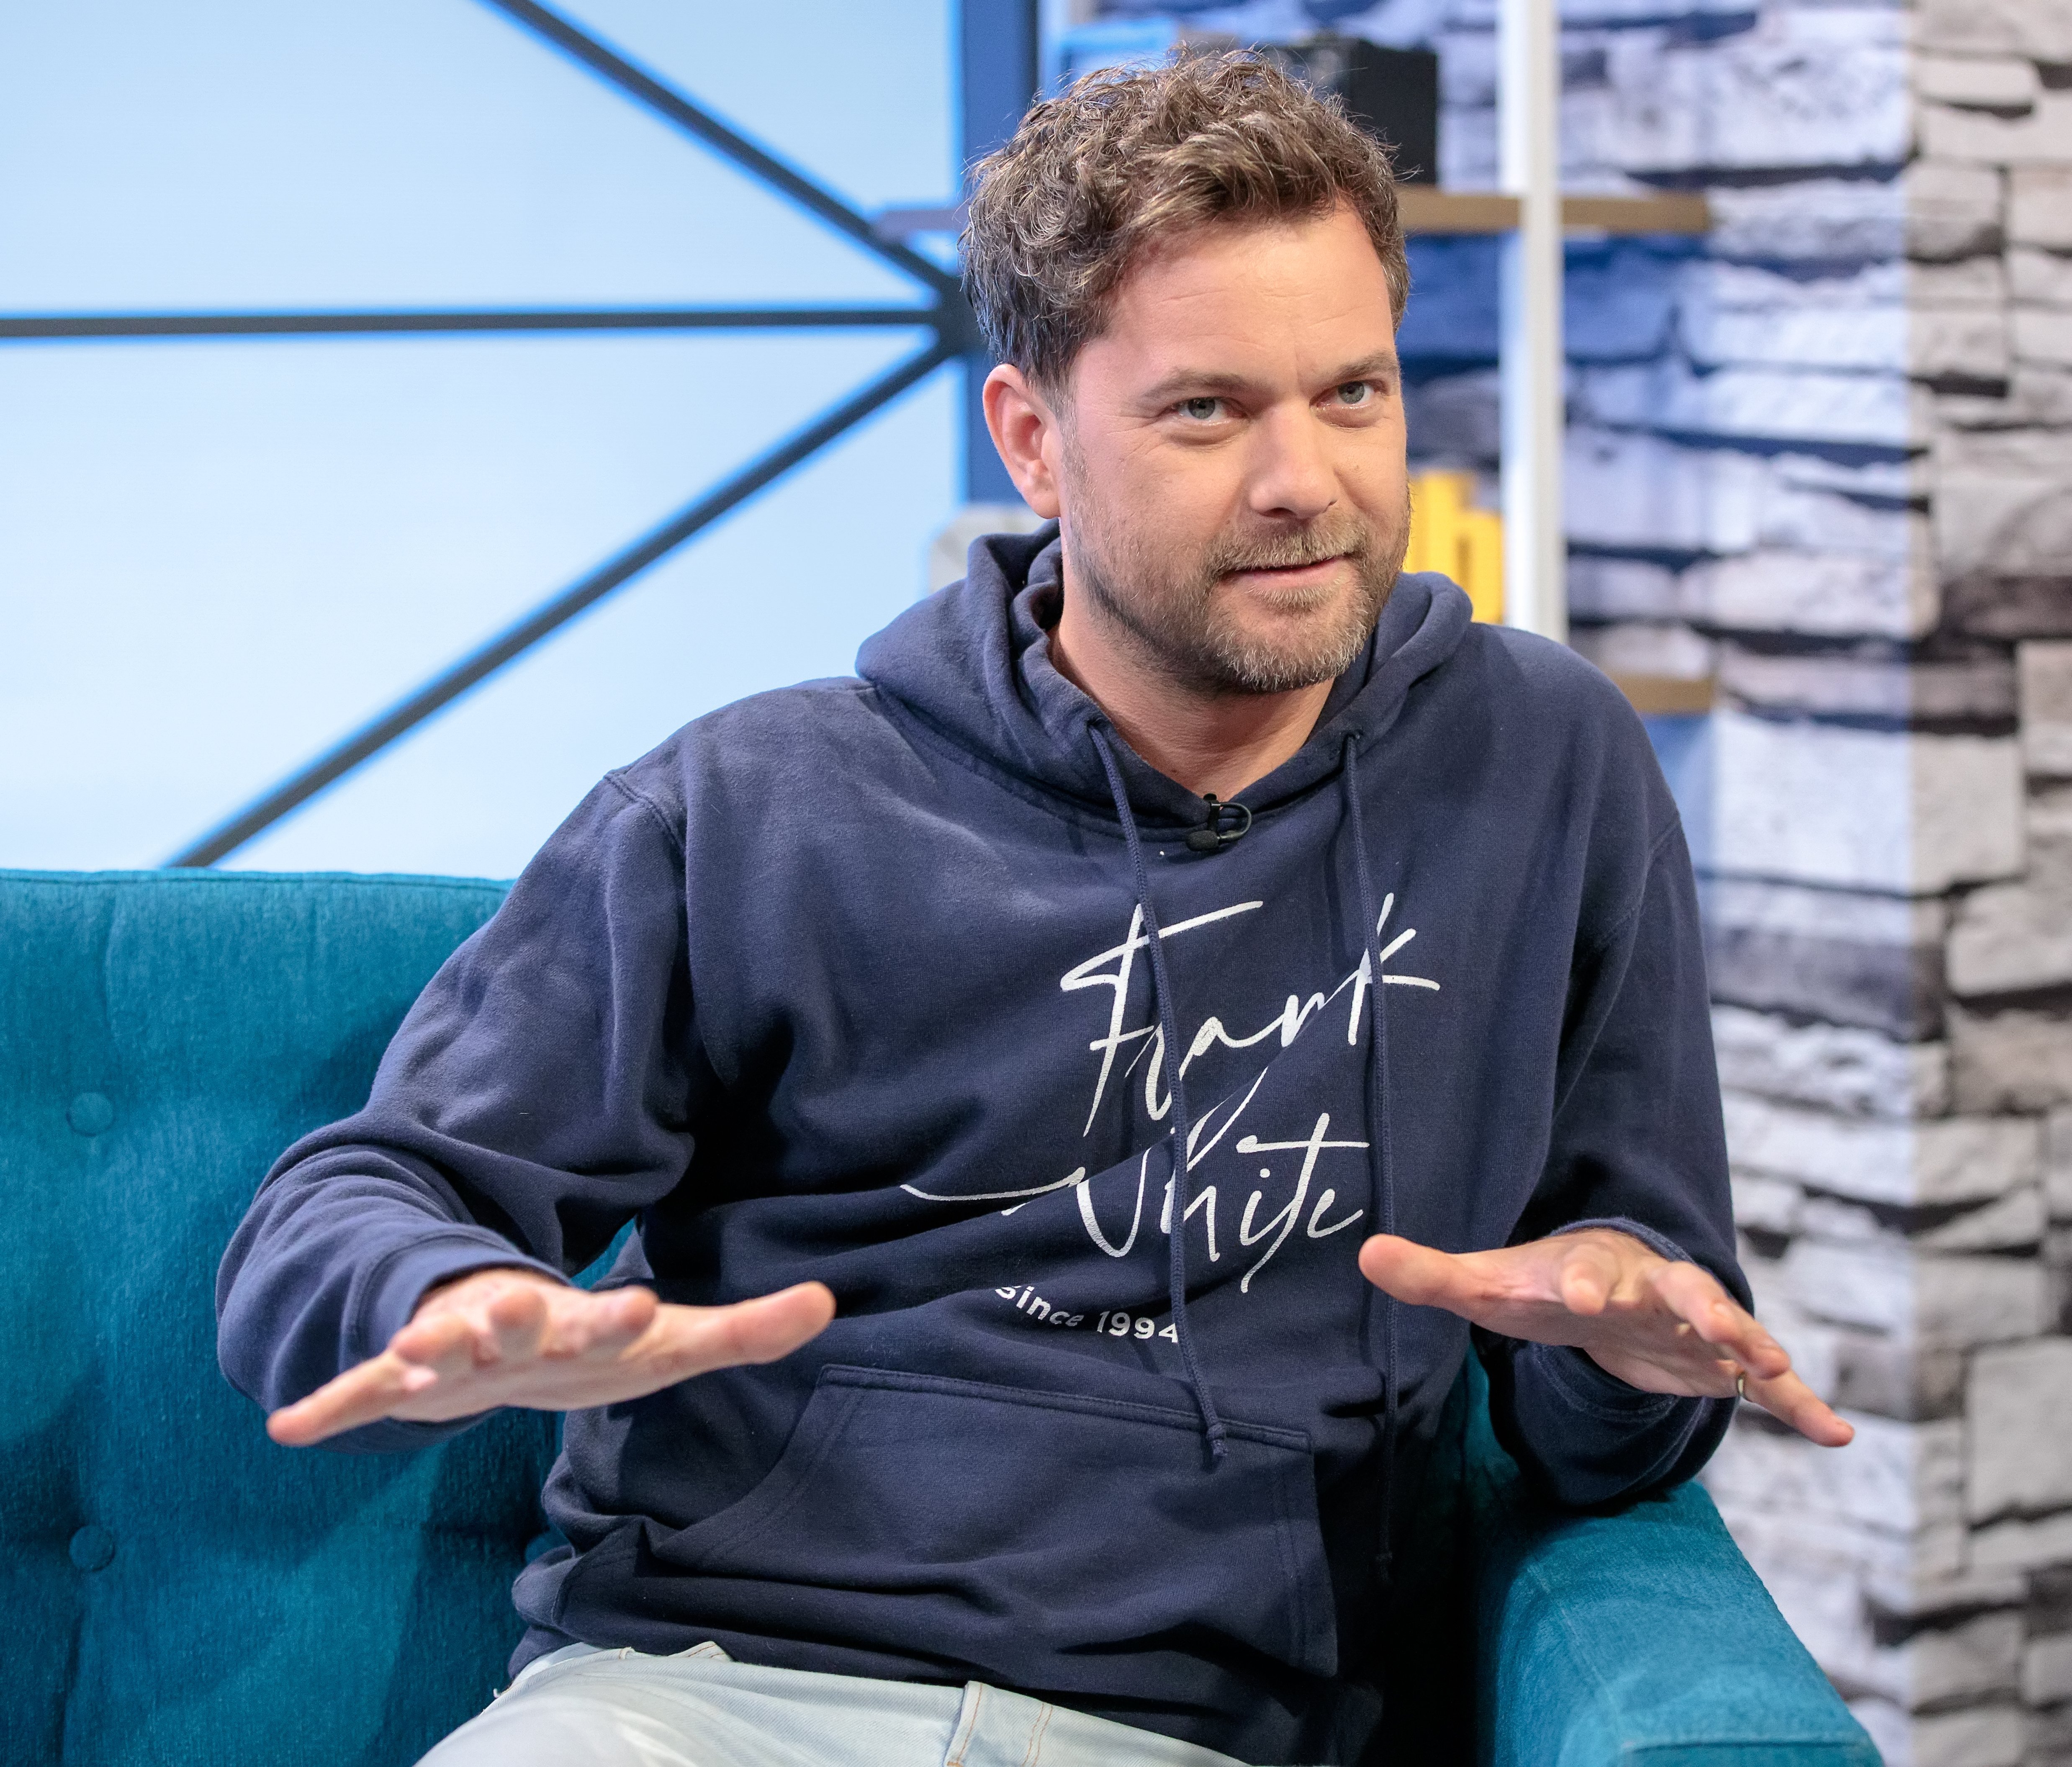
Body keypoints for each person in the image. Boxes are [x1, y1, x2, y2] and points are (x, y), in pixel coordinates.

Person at [216, 50, 1850, 1767]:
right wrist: (437, 1295)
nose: (1305, 481)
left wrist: (1620, 1346)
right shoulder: (753, 804)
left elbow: (1614, 1396)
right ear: (1032, 441)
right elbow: (357, 1196)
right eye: (1206, 410)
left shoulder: (1542, 761)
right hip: (692, 1694)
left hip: (1210, 1731)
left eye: (1351, 394)